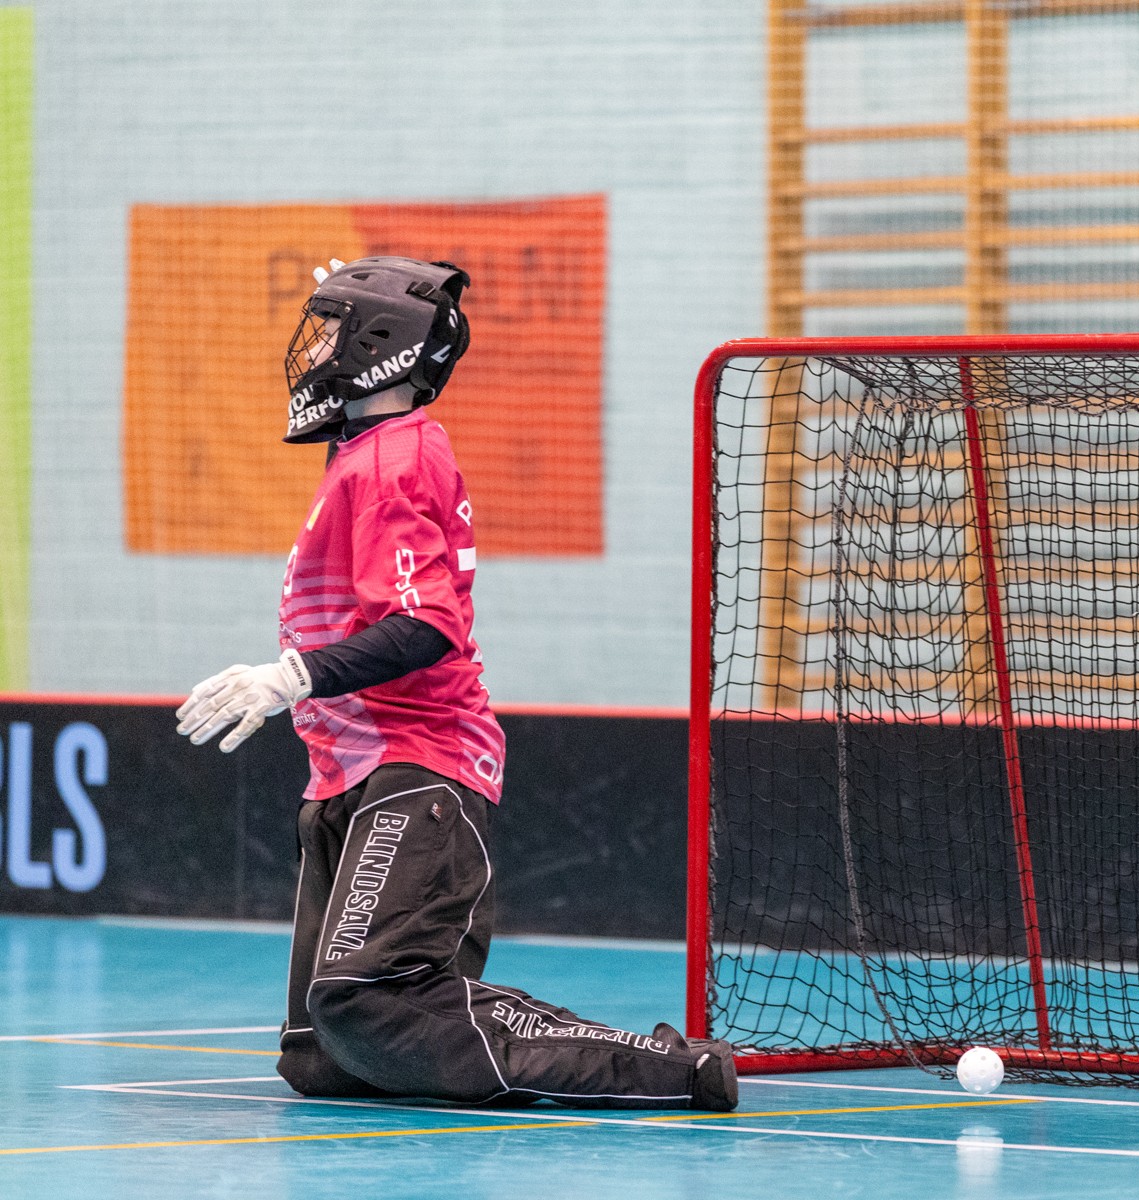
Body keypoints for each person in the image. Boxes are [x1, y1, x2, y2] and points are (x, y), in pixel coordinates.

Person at [174, 255, 736, 1111]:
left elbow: (424, 624)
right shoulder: (363, 455)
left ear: (378, 345)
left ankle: (665, 1066)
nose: (313, 350)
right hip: (349, 770)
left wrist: (293, 676)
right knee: (321, 1053)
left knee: (364, 1000)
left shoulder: (394, 458)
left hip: (417, 762)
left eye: (329, 331)